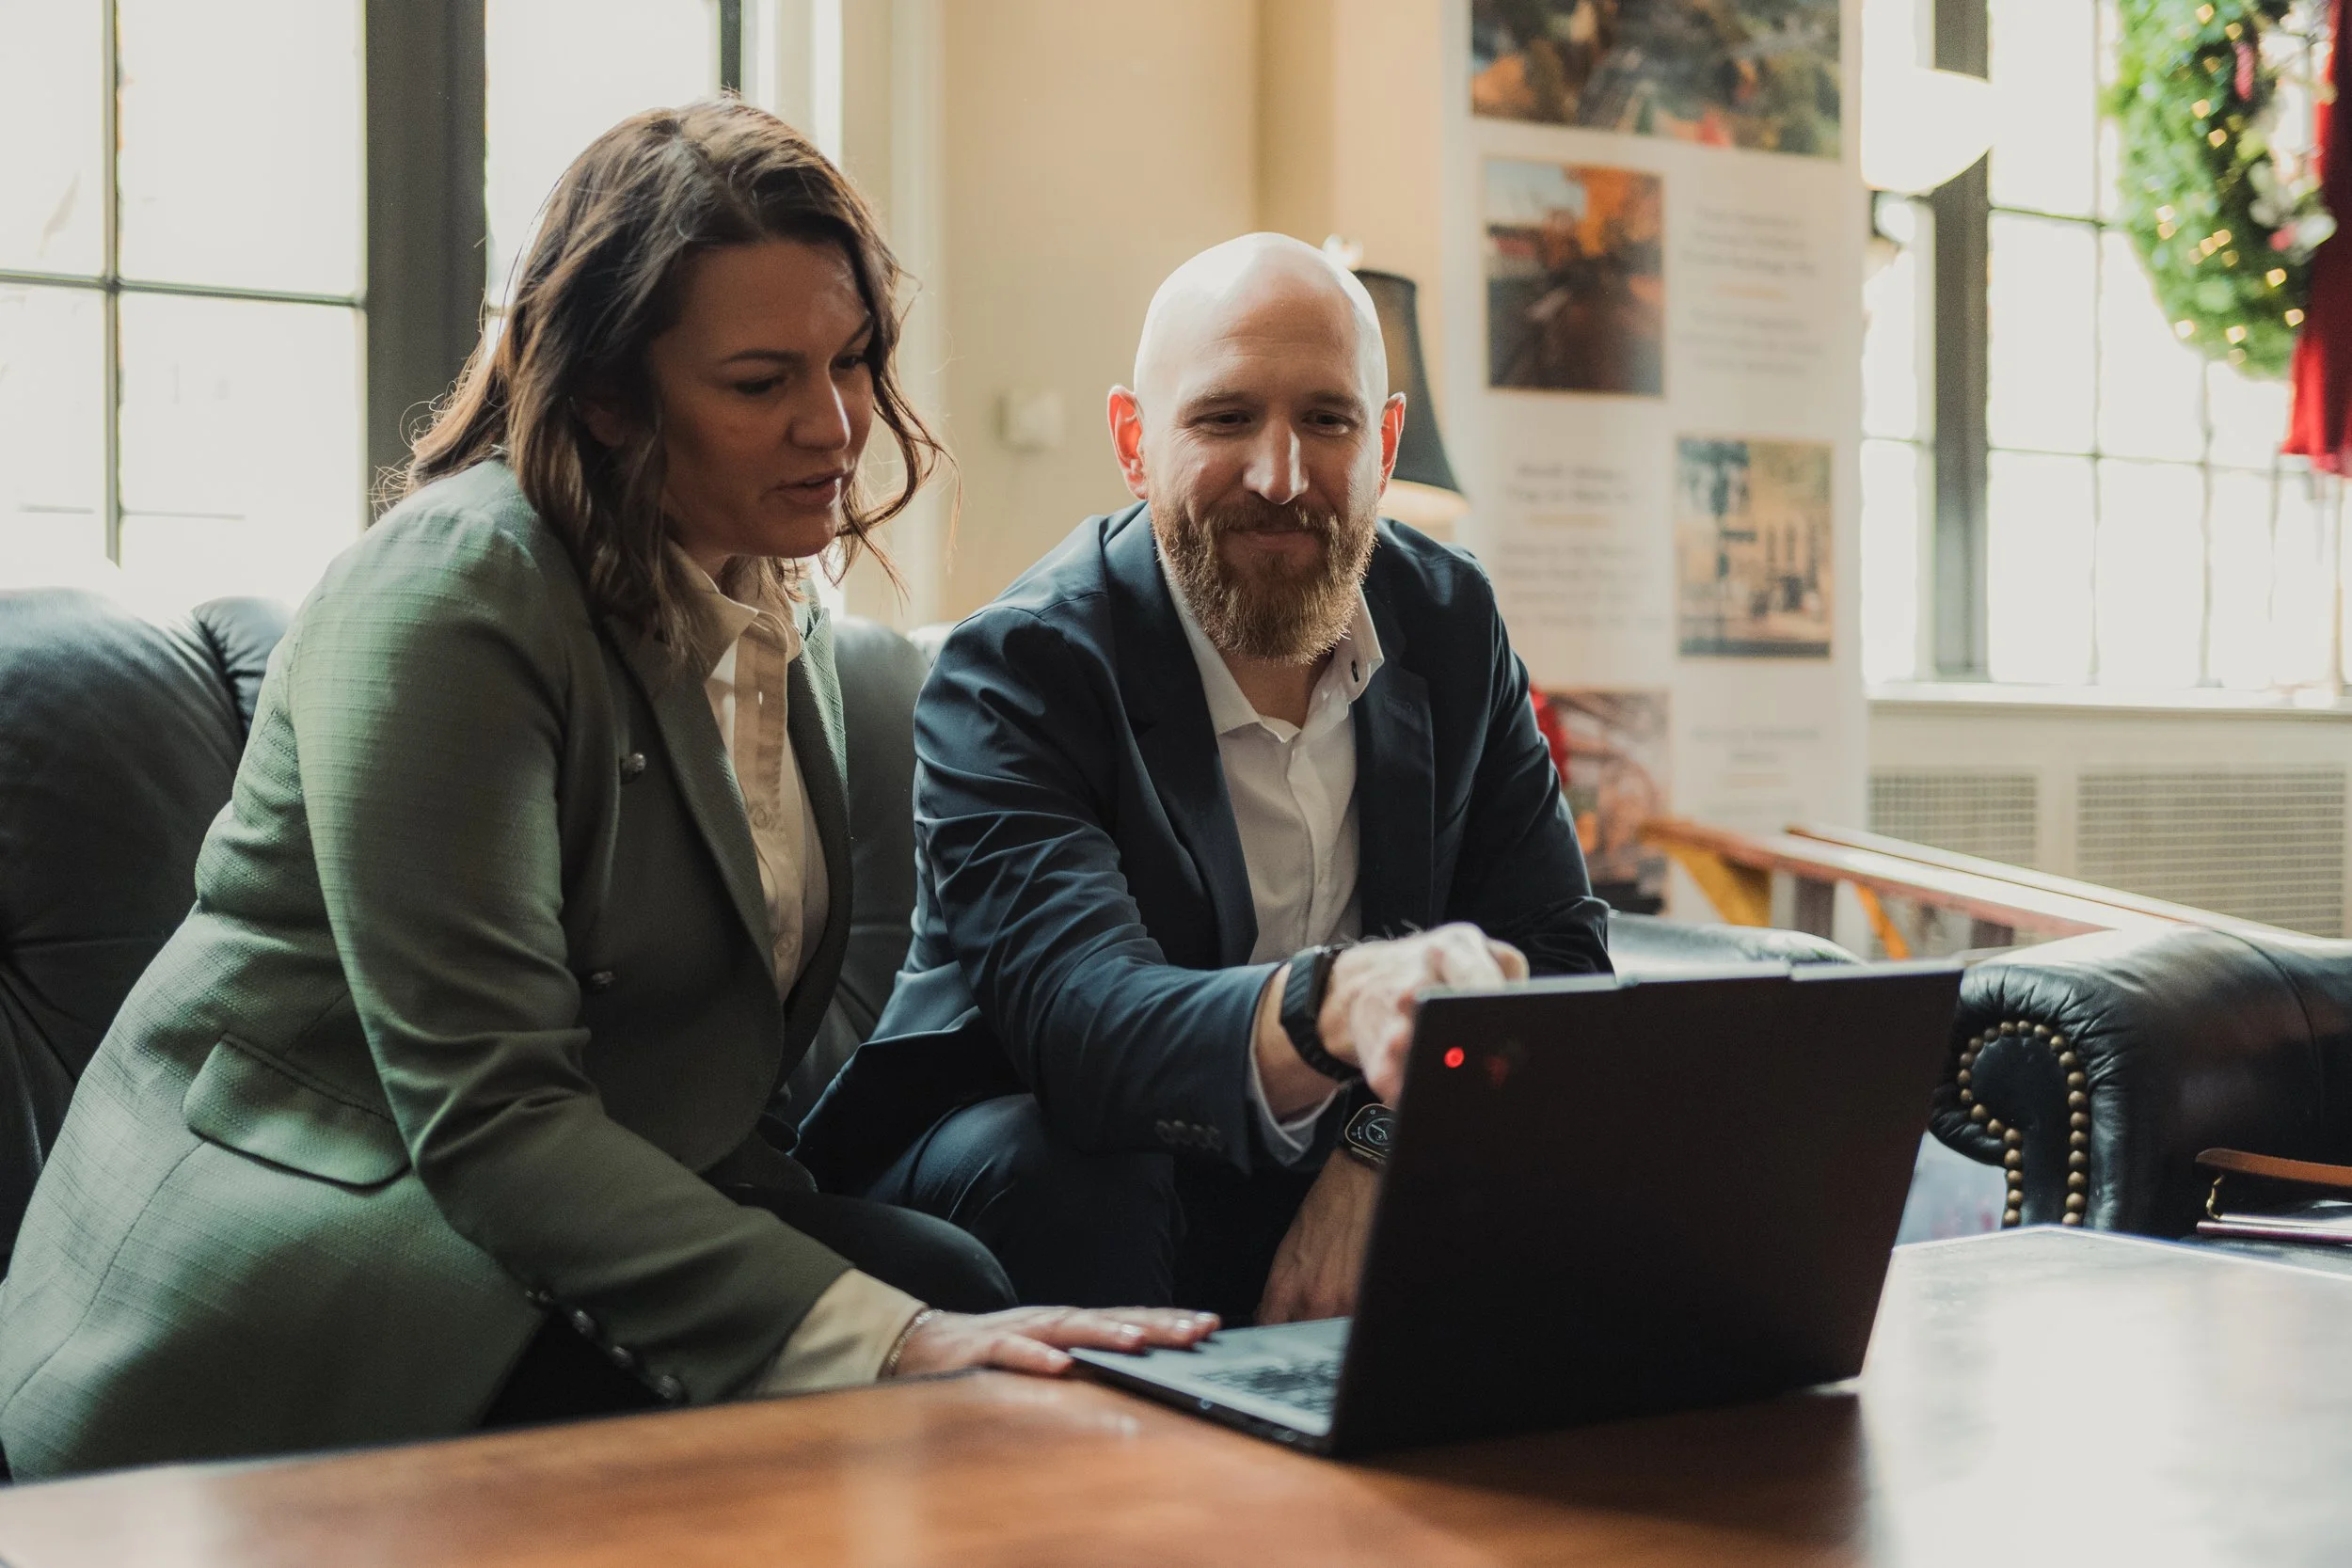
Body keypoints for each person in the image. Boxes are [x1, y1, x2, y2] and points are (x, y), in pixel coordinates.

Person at [0, 102, 1209, 1481]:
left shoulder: (770, 600)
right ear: (606, 395)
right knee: (905, 1375)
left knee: (964, 1290)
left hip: (562, 1233)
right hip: (325, 1268)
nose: (837, 424)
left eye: (855, 358)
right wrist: (884, 1338)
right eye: (761, 383)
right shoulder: (448, 598)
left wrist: (908, 1311)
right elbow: (494, 1118)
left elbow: (719, 1072)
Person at [798, 233, 1613, 1327]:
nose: (1280, 478)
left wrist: (1380, 1148)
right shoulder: (1021, 667)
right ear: (1134, 442)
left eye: (1327, 420)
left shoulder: (1449, 621)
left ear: (1385, 441)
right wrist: (1338, 1003)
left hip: (1322, 1150)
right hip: (1038, 1159)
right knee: (1075, 1165)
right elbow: (1088, 1026)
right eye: (1225, 419)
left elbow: (1558, 954)